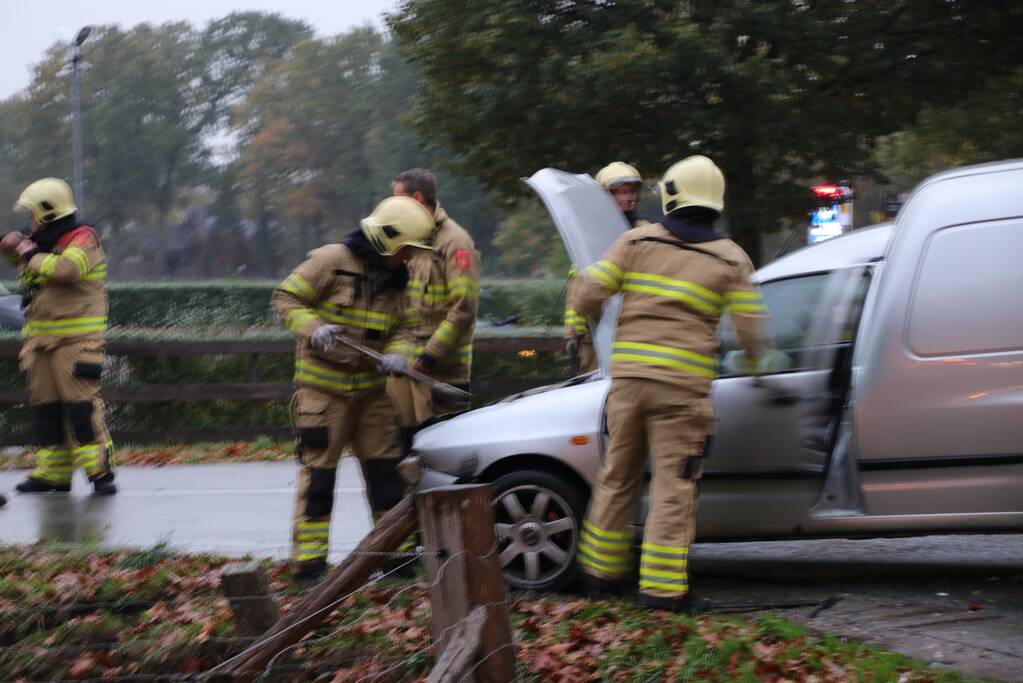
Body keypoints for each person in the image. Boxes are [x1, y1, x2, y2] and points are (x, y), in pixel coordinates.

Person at [571, 155, 768, 612]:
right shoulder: (730, 257)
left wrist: (592, 310)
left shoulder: (635, 241)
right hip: (681, 393)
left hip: (630, 385)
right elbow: (752, 332)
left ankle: (599, 576)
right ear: (715, 199)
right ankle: (661, 592)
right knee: (672, 488)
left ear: (670, 194)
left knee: (617, 476)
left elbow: (587, 292)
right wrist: (757, 364)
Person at [272, 195, 433, 583]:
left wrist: (397, 354)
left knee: (387, 480)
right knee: (319, 482)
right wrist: (314, 330)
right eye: (407, 250)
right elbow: (285, 297)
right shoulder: (330, 261)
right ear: (388, 239)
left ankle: (396, 563)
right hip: (322, 396)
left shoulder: (399, 280)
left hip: (372, 396)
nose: (410, 258)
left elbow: (406, 329)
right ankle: (308, 569)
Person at [0, 178, 116, 495]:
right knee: (45, 410)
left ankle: (100, 473)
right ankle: (53, 473)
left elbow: (66, 271)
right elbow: (28, 263)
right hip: (40, 341)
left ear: (47, 212)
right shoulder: (42, 240)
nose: (29, 221)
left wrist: (27, 250)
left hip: (77, 341)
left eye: (32, 214)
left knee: (82, 407)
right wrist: (12, 246)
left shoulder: (83, 238)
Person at [387, 168, 480, 452]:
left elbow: (463, 308)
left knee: (446, 457)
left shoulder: (455, 241)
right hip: (407, 371)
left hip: (443, 371)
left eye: (398, 201)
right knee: (405, 453)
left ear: (417, 199)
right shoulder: (407, 238)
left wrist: (430, 356)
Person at [565, 162, 649, 375]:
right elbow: (577, 289)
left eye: (631, 191)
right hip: (589, 336)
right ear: (603, 196)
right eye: (622, 192)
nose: (629, 197)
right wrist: (572, 335)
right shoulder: (587, 235)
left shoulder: (647, 232)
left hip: (632, 333)